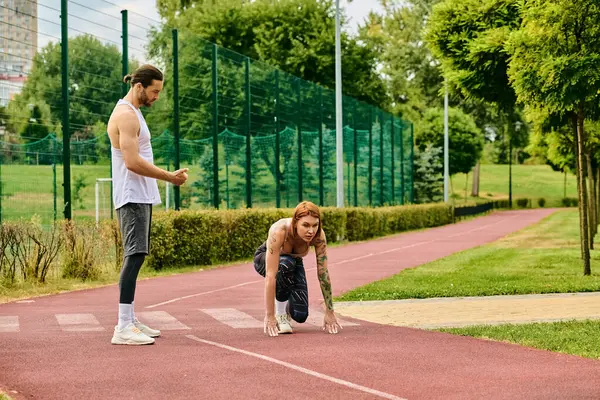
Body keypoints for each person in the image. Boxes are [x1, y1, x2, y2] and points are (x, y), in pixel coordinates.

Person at [107, 64, 189, 345]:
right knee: (134, 255)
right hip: (131, 194)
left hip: (140, 194)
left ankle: (129, 319)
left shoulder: (136, 113)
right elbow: (130, 162)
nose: (157, 97)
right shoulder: (125, 114)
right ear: (139, 86)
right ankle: (122, 326)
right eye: (154, 91)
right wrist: (168, 177)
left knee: (138, 254)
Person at [254, 201, 342, 336]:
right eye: (306, 225)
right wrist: (270, 315)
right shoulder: (279, 231)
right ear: (295, 223)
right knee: (285, 264)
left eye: (315, 225)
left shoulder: (318, 236)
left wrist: (329, 312)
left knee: (300, 315)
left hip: (293, 262)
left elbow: (323, 273)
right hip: (266, 259)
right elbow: (271, 275)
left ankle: (288, 303)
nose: (311, 231)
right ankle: (281, 314)